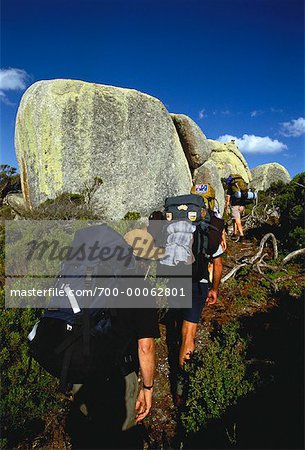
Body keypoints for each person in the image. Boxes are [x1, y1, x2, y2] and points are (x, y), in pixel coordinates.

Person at [66, 229, 162, 449]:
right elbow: (145, 347)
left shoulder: (89, 280)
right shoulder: (140, 289)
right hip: (118, 377)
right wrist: (147, 388)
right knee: (120, 437)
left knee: (90, 432)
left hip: (83, 372)